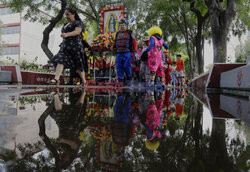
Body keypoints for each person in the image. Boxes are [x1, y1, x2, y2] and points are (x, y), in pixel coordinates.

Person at [50, 7, 87, 86]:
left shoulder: (78, 23)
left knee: (78, 67)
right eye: (65, 15)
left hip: (75, 47)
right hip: (65, 48)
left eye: (68, 14)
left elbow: (77, 32)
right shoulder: (65, 24)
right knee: (61, 60)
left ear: (73, 14)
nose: (66, 16)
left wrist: (67, 34)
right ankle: (56, 79)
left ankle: (84, 82)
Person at [113, 19, 138, 86]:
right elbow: (115, 42)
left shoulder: (130, 32)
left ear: (126, 26)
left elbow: (134, 42)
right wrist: (112, 47)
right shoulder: (117, 33)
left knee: (127, 66)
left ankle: (128, 80)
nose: (122, 26)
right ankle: (120, 81)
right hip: (119, 53)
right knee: (118, 67)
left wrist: (135, 51)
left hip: (127, 53)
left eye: (123, 25)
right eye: (121, 25)